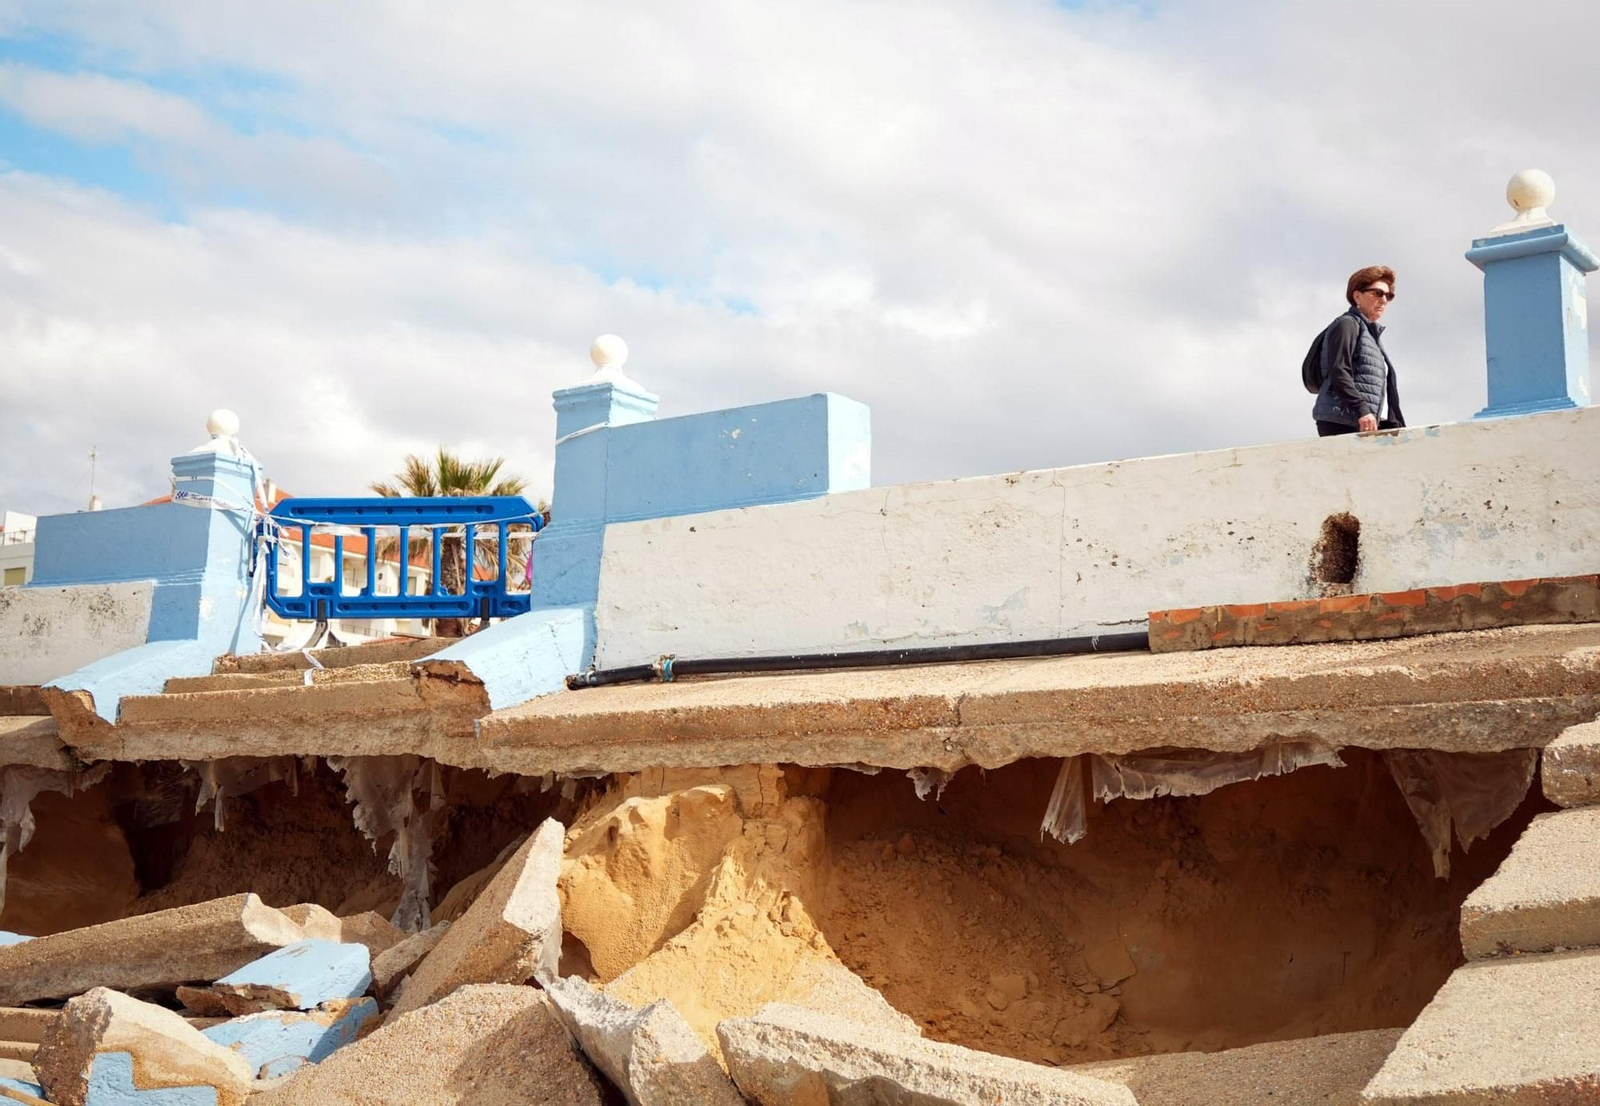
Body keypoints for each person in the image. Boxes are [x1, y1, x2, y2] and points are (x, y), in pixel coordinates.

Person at [1312, 265, 1406, 436]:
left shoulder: (1371, 335)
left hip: (1369, 422)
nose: (1384, 300)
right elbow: (1339, 370)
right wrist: (1362, 409)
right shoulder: (1347, 324)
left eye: (1388, 295)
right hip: (1344, 420)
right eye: (1377, 293)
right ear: (1357, 296)